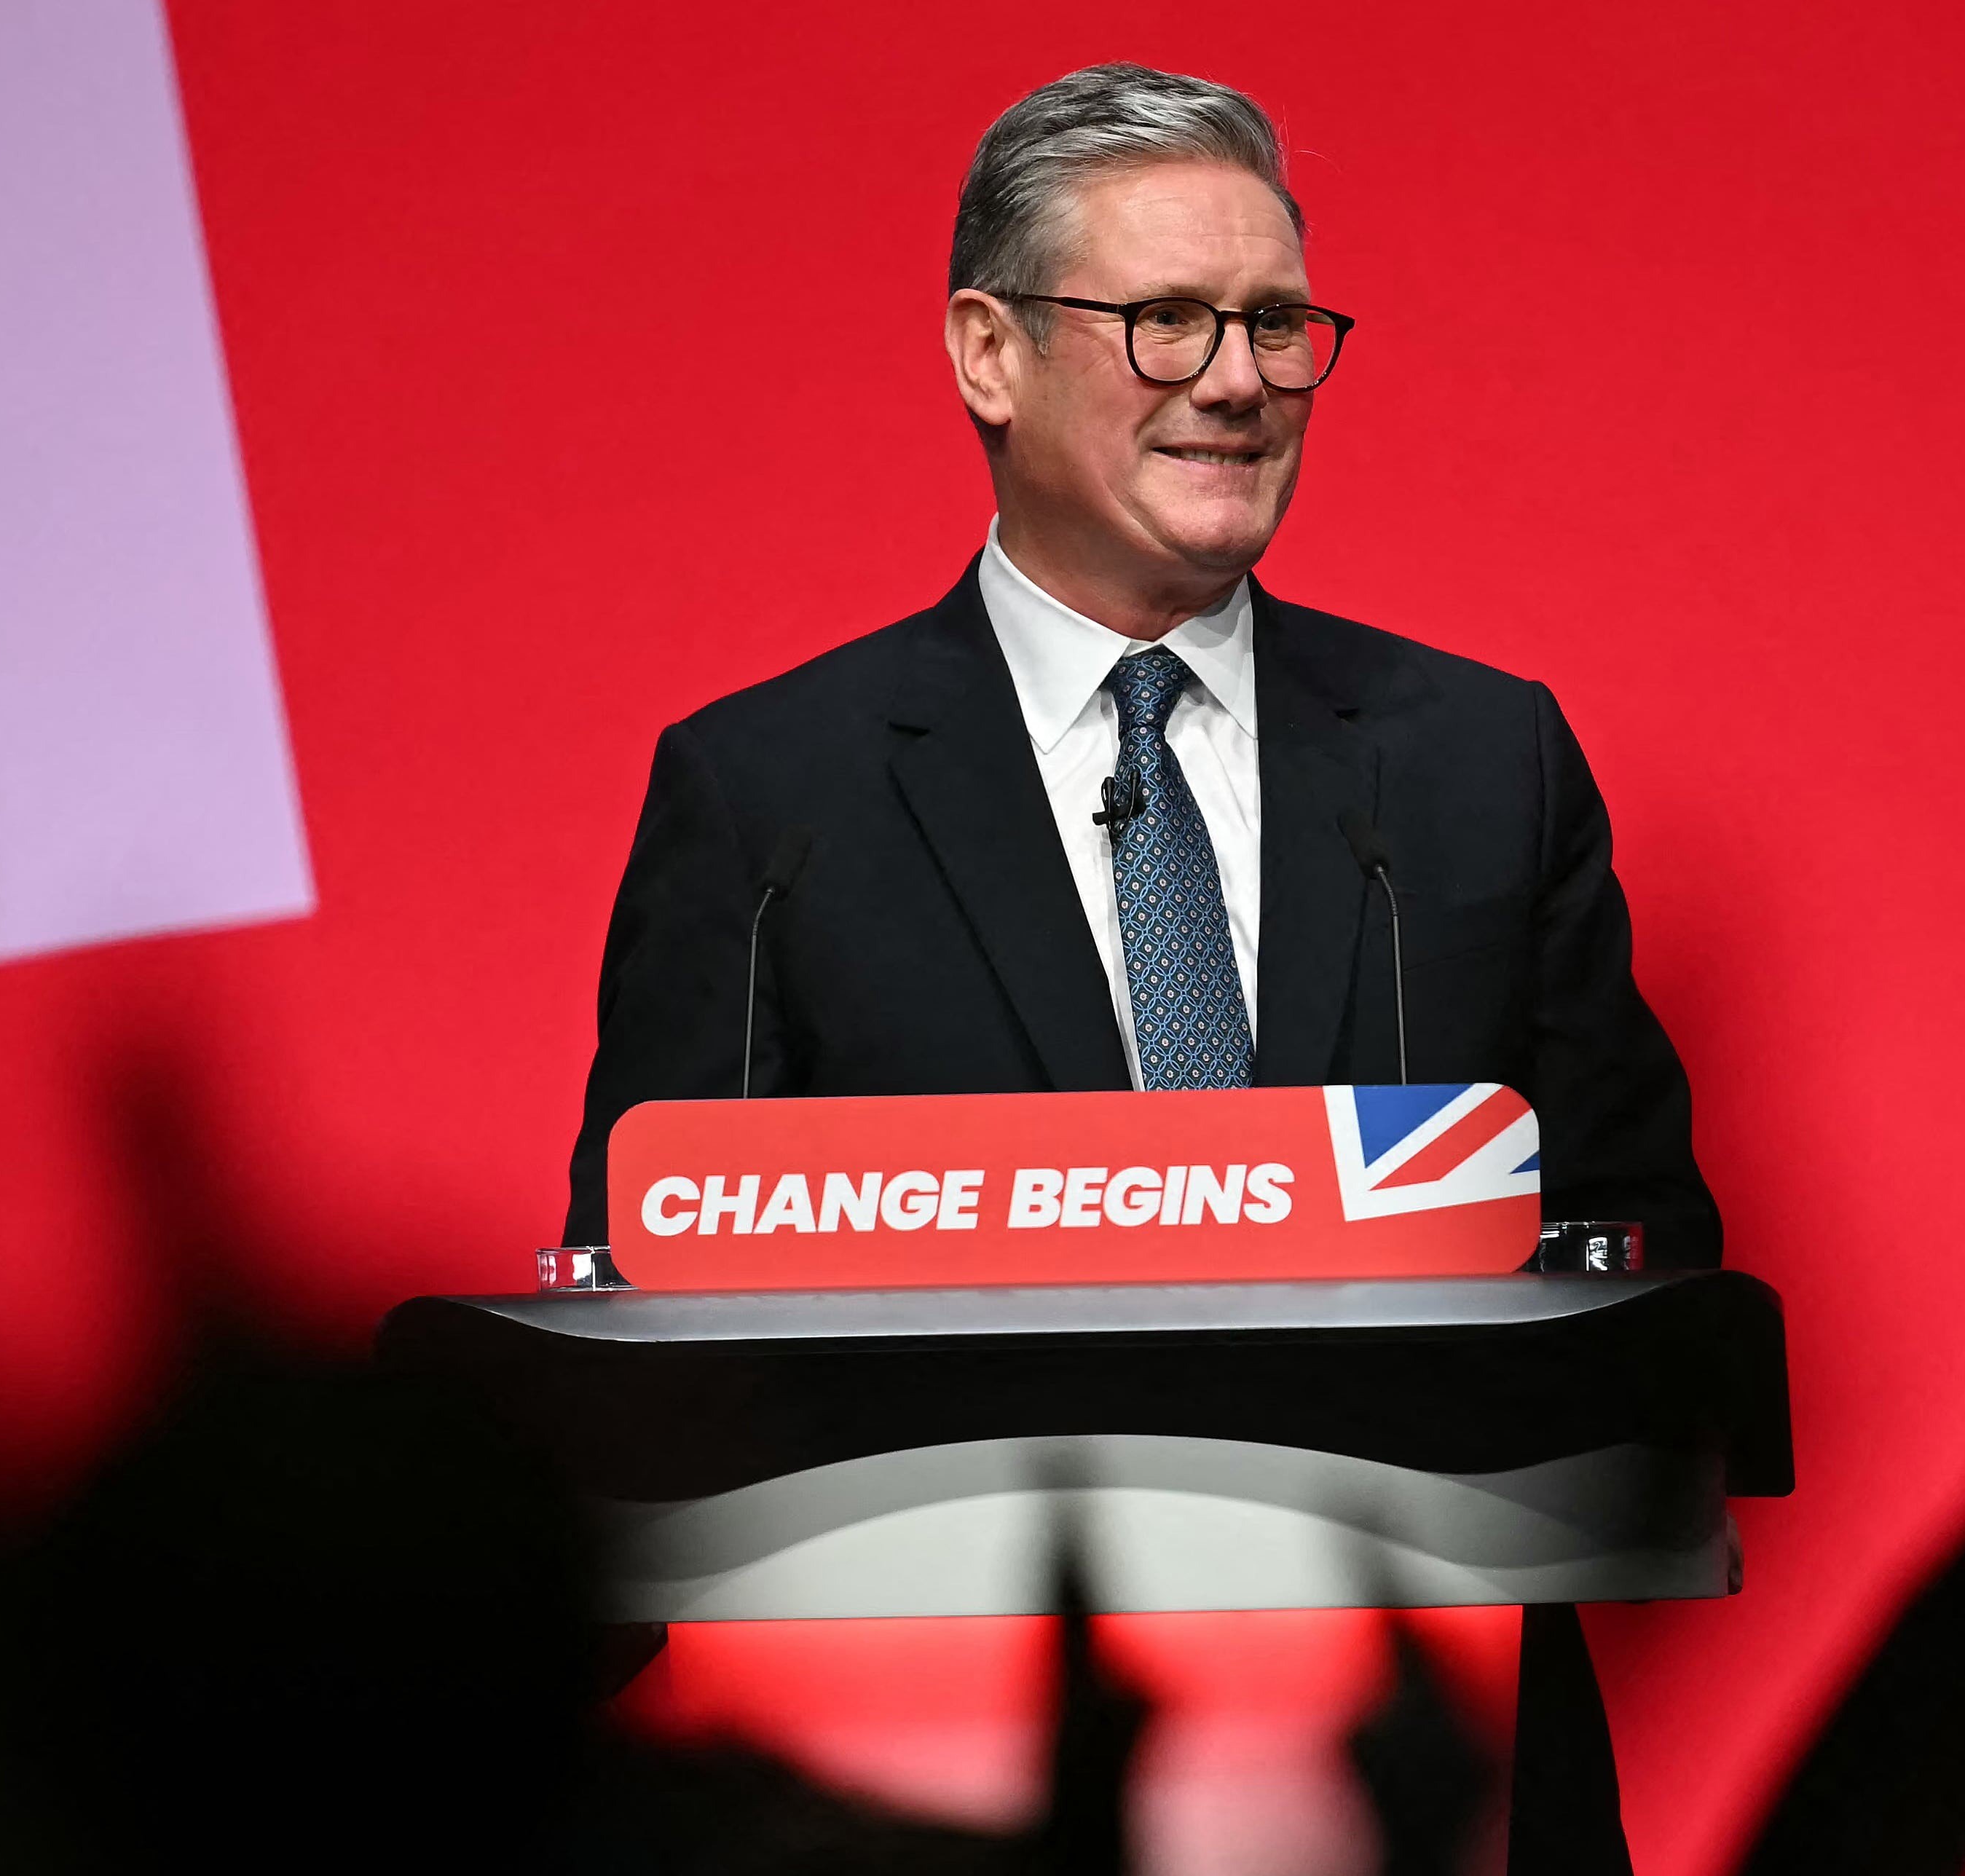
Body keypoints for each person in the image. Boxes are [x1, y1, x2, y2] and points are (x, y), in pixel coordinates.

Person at [559, 63, 1718, 1871]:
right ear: (987, 354)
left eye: (1273, 322)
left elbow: (1649, 1261)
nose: (1241, 379)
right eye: (1166, 319)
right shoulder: (772, 795)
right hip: (926, 1788)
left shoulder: (1478, 765)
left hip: (1424, 1785)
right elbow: (652, 1340)